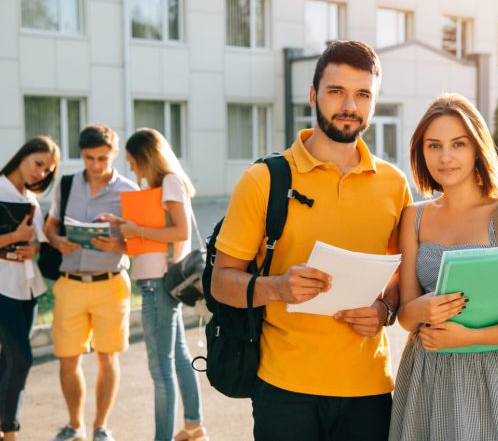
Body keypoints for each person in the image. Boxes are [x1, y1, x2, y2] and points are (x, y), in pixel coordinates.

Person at [212, 40, 412, 441]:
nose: (349, 106)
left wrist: (385, 309)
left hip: (369, 389)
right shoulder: (264, 180)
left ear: (374, 102)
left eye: (363, 95)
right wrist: (279, 287)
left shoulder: (394, 185)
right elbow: (222, 283)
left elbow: (401, 278)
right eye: (336, 91)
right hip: (285, 388)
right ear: (313, 96)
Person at [389, 93, 498, 441]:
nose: (446, 157)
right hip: (426, 373)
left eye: (458, 144)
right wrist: (419, 308)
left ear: (477, 148)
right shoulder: (414, 217)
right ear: (421, 153)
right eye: (433, 146)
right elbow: (406, 316)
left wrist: (472, 338)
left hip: (492, 376)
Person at [44, 124, 138, 441]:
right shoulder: (67, 185)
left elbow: (142, 241)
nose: (96, 165)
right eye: (89, 158)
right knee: (68, 359)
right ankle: (75, 426)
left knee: (107, 357)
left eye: (102, 158)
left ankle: (100, 426)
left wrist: (120, 245)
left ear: (113, 155)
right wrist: (58, 242)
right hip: (70, 282)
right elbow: (50, 227)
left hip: (110, 284)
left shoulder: (129, 190)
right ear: (81, 155)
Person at [115, 128, 207, 441]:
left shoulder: (169, 182)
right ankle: (194, 427)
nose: (131, 168)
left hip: (157, 281)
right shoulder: (165, 184)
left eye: (131, 161)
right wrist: (125, 228)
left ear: (144, 157)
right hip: (157, 279)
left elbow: (180, 232)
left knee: (160, 369)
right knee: (178, 357)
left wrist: (136, 228)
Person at [0, 136, 60, 441]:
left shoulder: (31, 200)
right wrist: (14, 236)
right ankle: (11, 433)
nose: (41, 173)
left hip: (28, 287)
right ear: (23, 156)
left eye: (48, 170)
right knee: (22, 358)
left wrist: (32, 247)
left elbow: (36, 242)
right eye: (38, 163)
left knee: (10, 359)